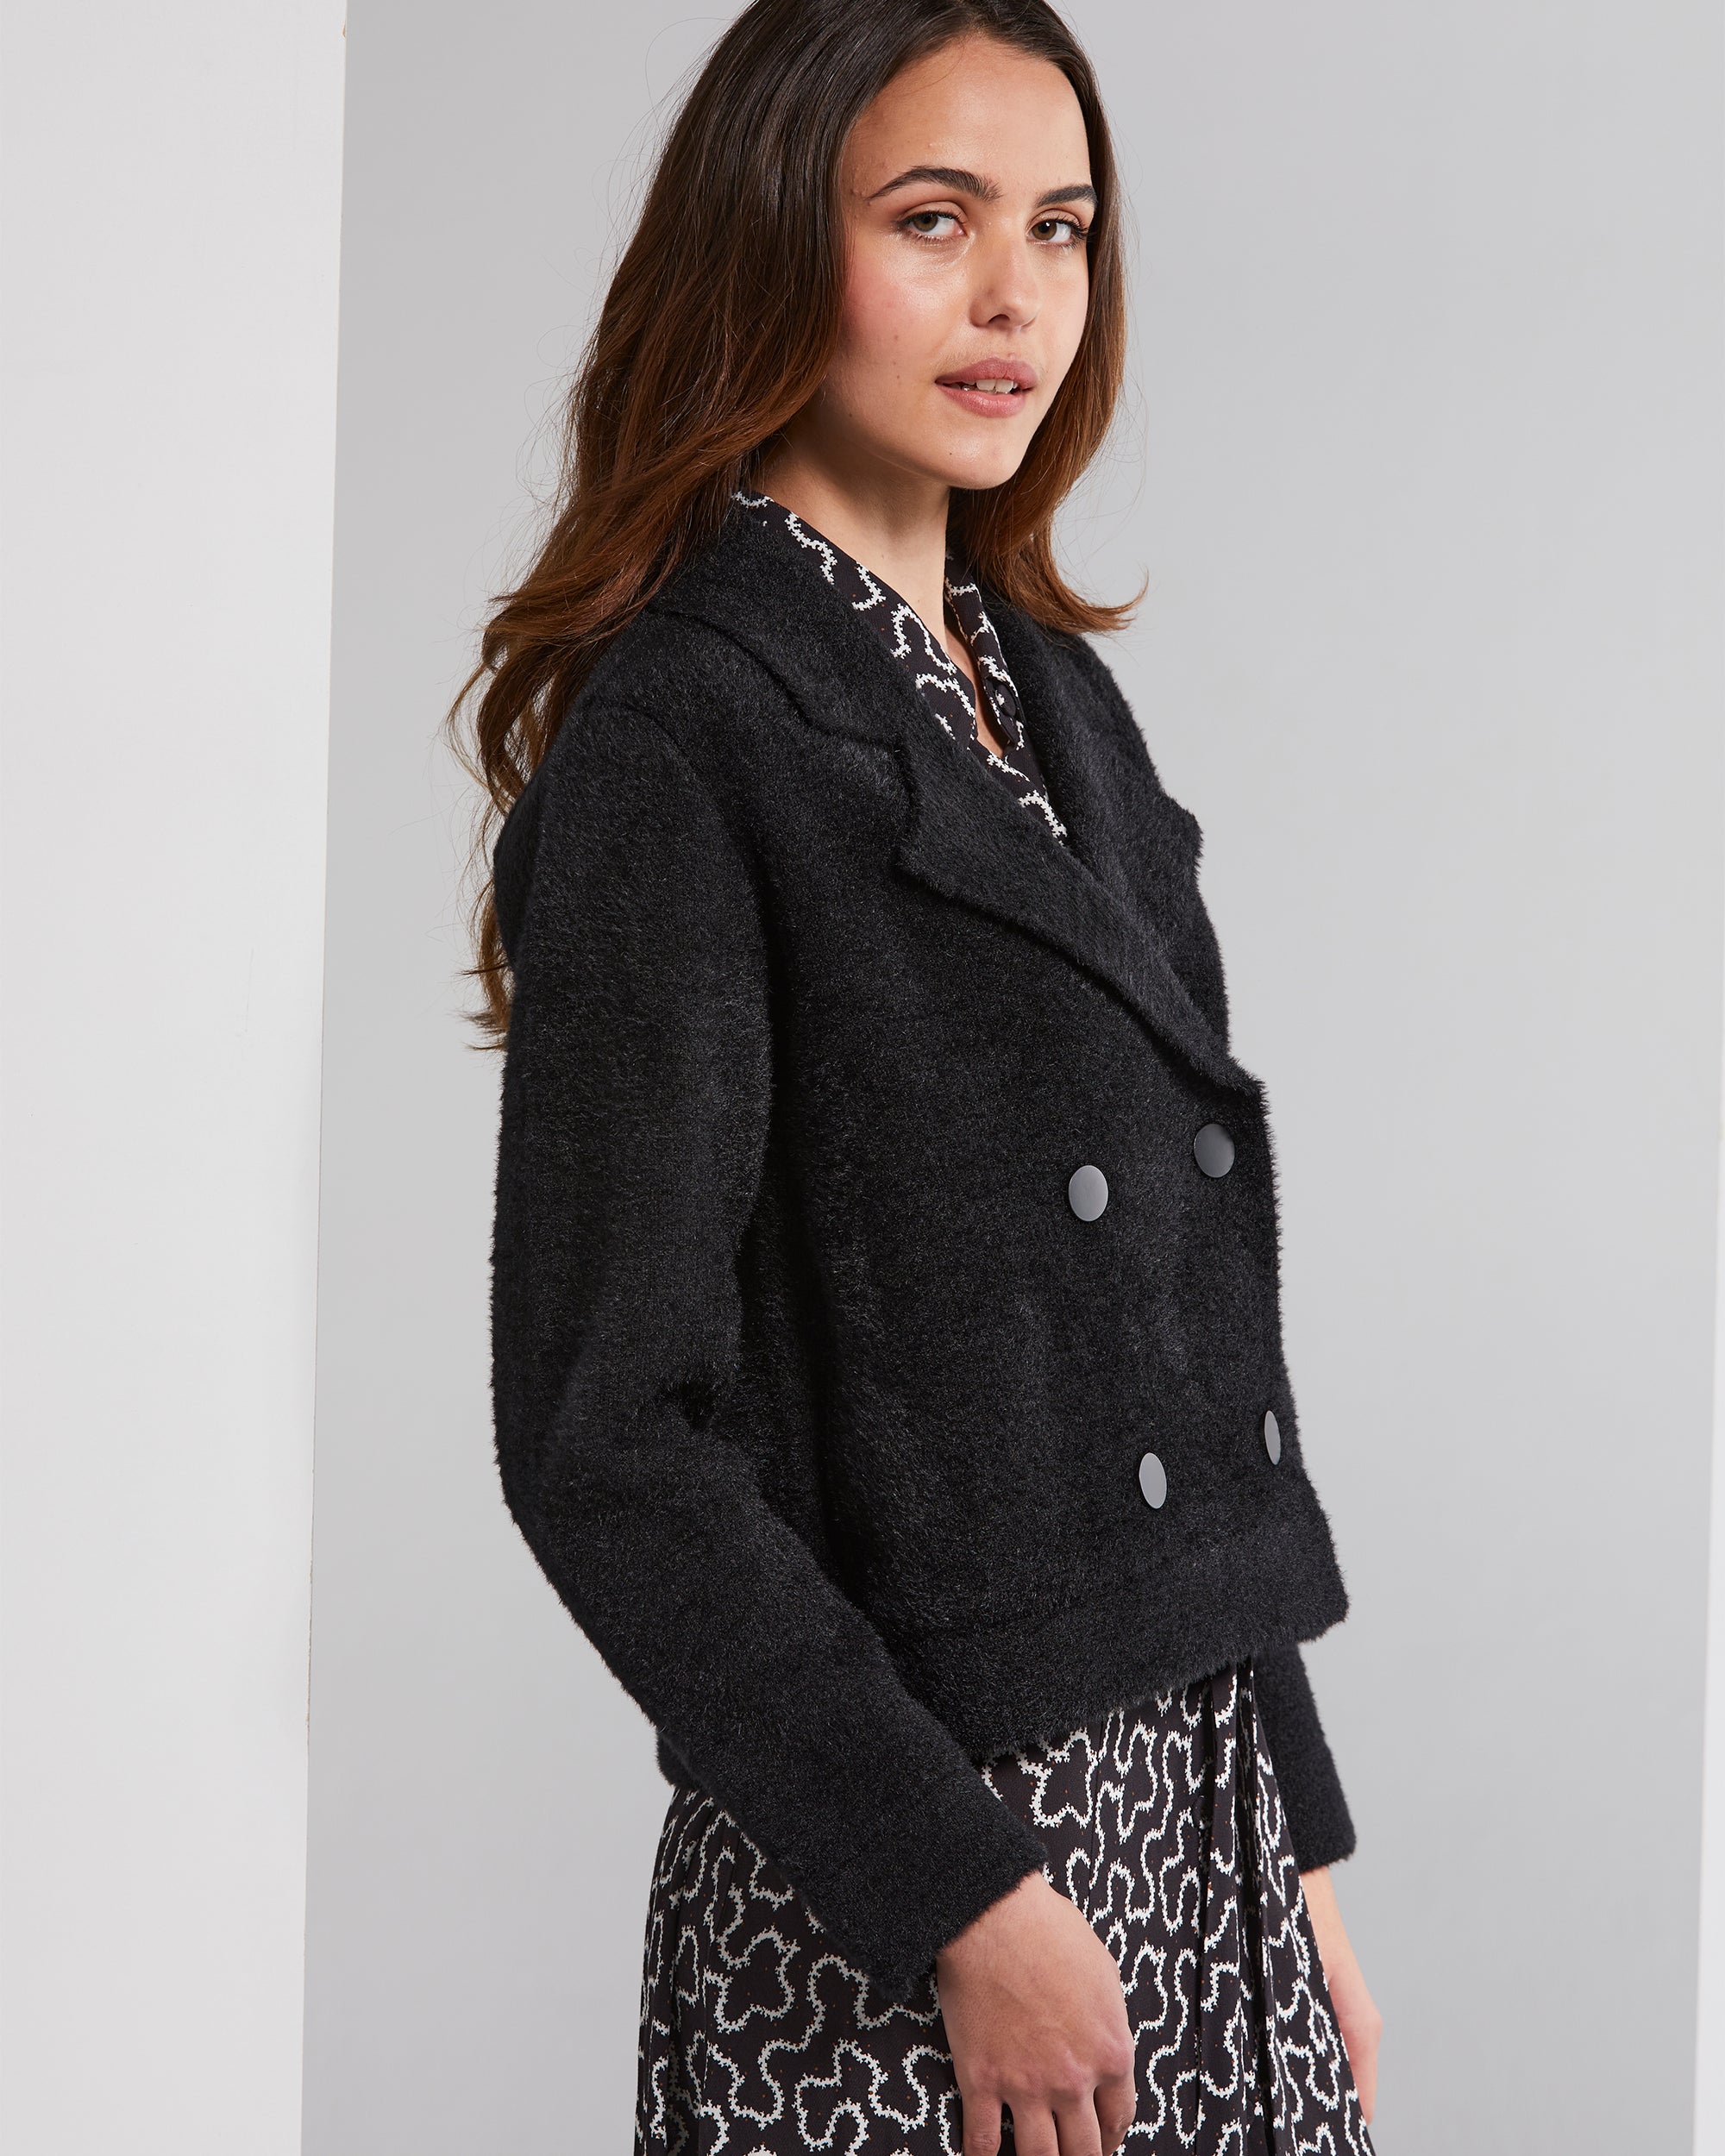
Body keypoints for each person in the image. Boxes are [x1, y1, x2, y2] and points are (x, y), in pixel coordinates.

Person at [453, 2, 1382, 2148]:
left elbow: (1163, 1355)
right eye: (934, 219)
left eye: (1060, 227)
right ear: (777, 235)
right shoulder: (686, 736)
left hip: (1198, 1807)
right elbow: (606, 1436)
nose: (1015, 297)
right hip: (913, 1861)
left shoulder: (1052, 701)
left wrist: (1300, 1840)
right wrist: (961, 1897)